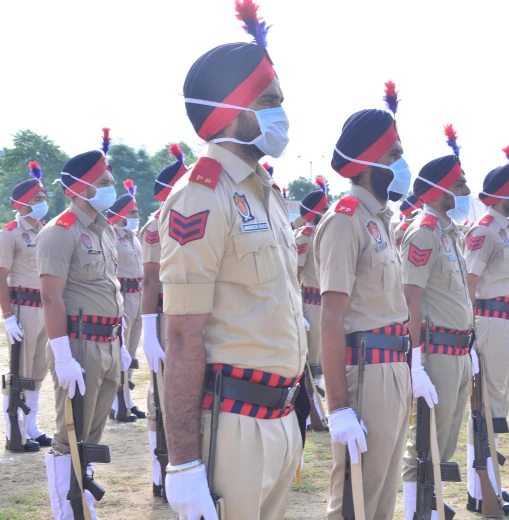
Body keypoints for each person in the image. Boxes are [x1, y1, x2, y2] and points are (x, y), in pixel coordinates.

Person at [159, 3, 308, 518]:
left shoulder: (265, 192)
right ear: (232, 108)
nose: (281, 113)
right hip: (235, 423)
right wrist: (181, 464)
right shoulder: (202, 195)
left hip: (282, 416)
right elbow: (181, 335)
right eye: (269, 101)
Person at [315, 93, 412, 519]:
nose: (402, 164)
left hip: (393, 368)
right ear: (371, 161)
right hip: (366, 372)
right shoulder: (345, 220)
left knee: (383, 493)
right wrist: (338, 407)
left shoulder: (379, 221)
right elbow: (331, 316)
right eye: (394, 154)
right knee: (357, 497)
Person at [38, 134, 131, 518]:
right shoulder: (60, 231)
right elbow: (50, 297)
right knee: (69, 436)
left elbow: (111, 288)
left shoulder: (103, 228)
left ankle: (83, 502)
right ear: (83, 187)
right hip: (79, 345)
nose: (111, 187)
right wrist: (62, 355)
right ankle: (66, 511)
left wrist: (121, 342)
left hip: (107, 343)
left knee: (91, 436)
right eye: (105, 182)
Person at [399, 125, 478, 517]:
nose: (463, 194)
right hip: (434, 351)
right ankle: (418, 510)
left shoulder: (450, 233)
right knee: (425, 440)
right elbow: (409, 298)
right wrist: (414, 363)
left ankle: (433, 503)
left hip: (458, 350)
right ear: (438, 191)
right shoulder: (424, 233)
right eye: (458, 186)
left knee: (445, 436)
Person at [463, 144, 509, 513]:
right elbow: (469, 282)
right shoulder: (485, 230)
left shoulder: (508, 230)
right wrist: (470, 332)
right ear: (501, 194)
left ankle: (491, 487)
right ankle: (480, 491)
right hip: (491, 323)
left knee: (497, 408)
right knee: (485, 410)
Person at [139, 143, 188, 497]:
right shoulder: (156, 223)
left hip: (190, 314)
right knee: (161, 393)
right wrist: (148, 332)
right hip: (163, 316)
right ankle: (160, 469)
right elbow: (150, 280)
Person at [1, 160, 52, 451]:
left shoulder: (45, 231)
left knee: (37, 369)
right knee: (19, 371)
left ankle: (30, 425)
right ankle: (14, 431)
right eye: (37, 199)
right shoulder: (9, 233)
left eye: (43, 198)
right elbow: (1, 275)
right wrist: (8, 316)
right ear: (21, 204)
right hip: (22, 306)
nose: (42, 203)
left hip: (45, 307)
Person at [106, 179, 147, 422]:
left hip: (138, 296)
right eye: (132, 212)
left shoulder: (133, 236)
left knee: (130, 352)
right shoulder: (111, 236)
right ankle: (116, 402)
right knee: (119, 351)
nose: (136, 215)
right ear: (120, 214)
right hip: (122, 298)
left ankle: (128, 402)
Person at [296, 188, 329, 426]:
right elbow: (294, 274)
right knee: (311, 360)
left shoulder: (324, 233)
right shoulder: (305, 235)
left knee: (321, 359)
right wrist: (298, 310)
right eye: (324, 209)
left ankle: (316, 411)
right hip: (310, 304)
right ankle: (310, 415)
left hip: (326, 304)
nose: (328, 212)